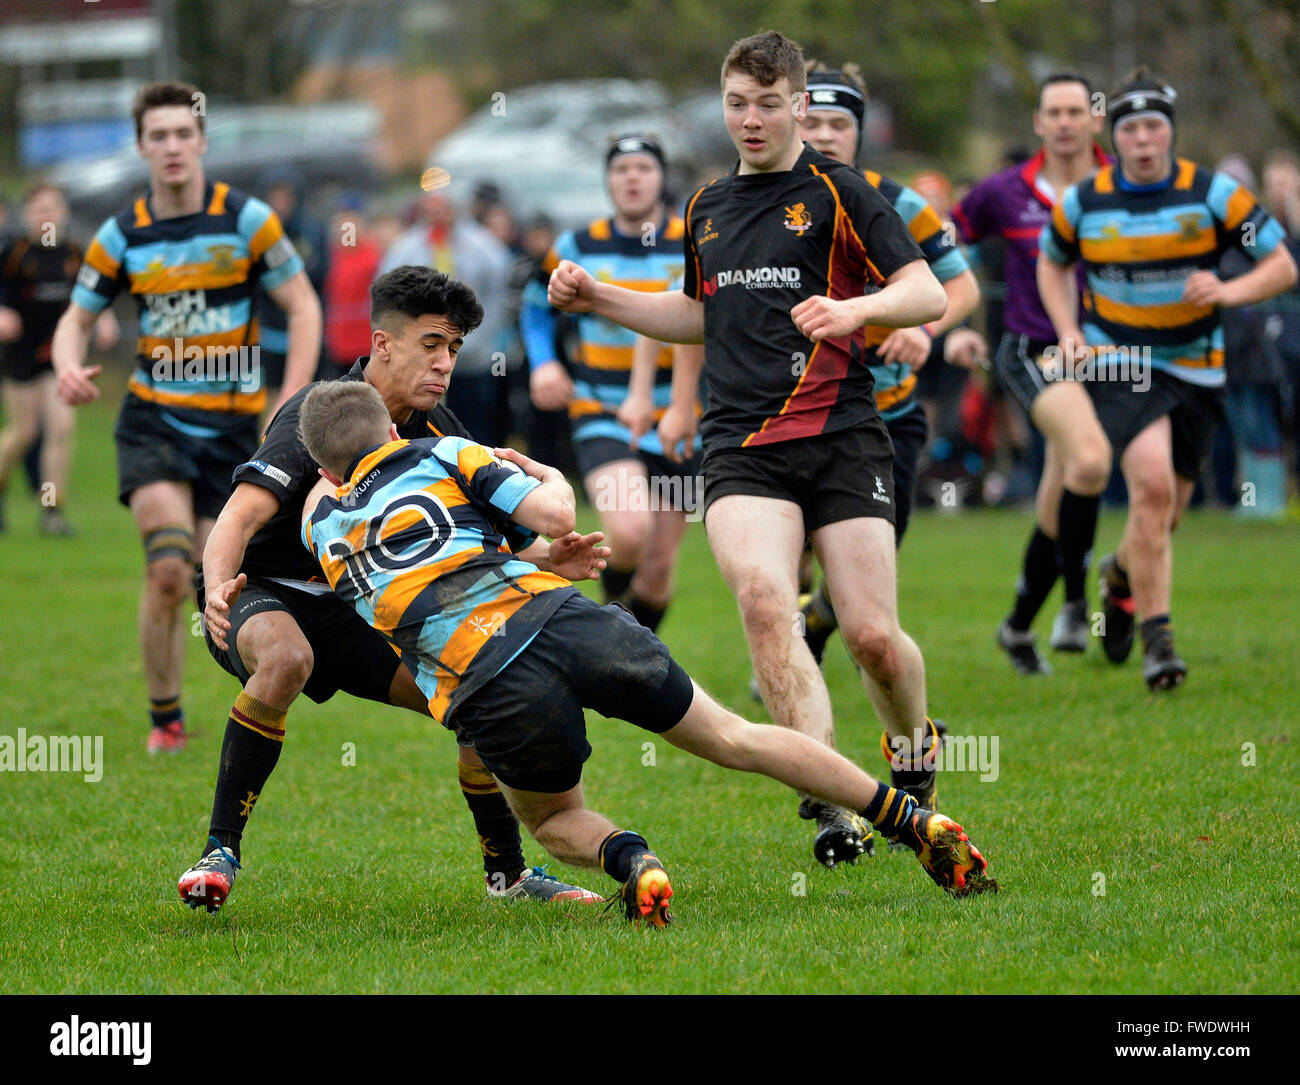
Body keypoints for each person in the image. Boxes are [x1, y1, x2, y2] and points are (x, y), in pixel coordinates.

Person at [296, 380, 995, 923]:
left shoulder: (322, 527)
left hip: (487, 685)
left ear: (326, 472)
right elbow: (556, 514)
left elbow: (413, 560)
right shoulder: (444, 450)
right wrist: (548, 475)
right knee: (736, 735)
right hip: (564, 620)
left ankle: (637, 863)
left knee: (550, 818)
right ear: (392, 428)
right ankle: (912, 817)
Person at [551, 31, 954, 869]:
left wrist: (855, 312)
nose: (752, 119)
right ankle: (837, 804)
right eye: (737, 103)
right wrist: (601, 299)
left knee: (873, 638)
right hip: (740, 445)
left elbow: (929, 290)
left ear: (800, 105)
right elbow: (699, 313)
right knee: (766, 602)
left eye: (769, 103)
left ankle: (914, 758)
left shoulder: (842, 192)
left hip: (843, 435)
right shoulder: (706, 207)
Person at [180, 266, 606, 912]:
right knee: (287, 657)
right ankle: (219, 853)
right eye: (431, 344)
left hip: (356, 605)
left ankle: (508, 878)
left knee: (474, 687)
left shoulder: (442, 434)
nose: (444, 363)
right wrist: (216, 589)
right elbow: (237, 516)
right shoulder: (321, 412)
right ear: (382, 344)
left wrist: (555, 558)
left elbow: (496, 543)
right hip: (261, 587)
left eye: (455, 349)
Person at [52, 81, 323, 753]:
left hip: (232, 431)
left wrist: (291, 400)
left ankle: (256, 696)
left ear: (201, 142)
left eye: (183, 134)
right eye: (158, 136)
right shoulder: (122, 234)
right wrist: (66, 363)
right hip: (153, 421)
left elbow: (304, 306)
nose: (172, 146)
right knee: (169, 569)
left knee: (218, 580)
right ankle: (166, 720)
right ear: (142, 146)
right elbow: (75, 318)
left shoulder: (247, 220)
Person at [1039, 69, 1297, 690]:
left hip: (1198, 370)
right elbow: (1052, 262)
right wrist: (1068, 329)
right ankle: (1161, 645)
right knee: (1151, 489)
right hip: (1120, 362)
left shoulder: (1214, 194)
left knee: (1169, 512)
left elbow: (1283, 264)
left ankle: (1119, 577)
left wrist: (1228, 289)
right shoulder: (1084, 201)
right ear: (1117, 136)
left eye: (1155, 127)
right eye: (1131, 129)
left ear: (1170, 134)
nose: (1144, 140)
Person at [786, 61, 983, 673]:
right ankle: (786, 648)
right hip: (789, 412)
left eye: (838, 123)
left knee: (864, 568)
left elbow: (963, 288)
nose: (823, 133)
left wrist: (923, 328)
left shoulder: (900, 203)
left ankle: (816, 624)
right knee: (793, 546)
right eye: (811, 120)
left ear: (859, 131)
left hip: (886, 415)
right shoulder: (764, 205)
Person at [952, 74, 1112, 676]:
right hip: (1032, 348)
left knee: (1062, 487)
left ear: (1095, 120)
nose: (1066, 121)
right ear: (1040, 123)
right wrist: (954, 320)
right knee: (1091, 461)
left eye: (1077, 110)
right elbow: (937, 237)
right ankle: (1076, 603)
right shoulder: (1002, 192)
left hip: (1112, 356)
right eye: (1054, 112)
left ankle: (1017, 627)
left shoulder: (1119, 188)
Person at [522, 135, 697, 633]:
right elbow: (535, 308)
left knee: (659, 570)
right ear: (608, 181)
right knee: (628, 527)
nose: (633, 178)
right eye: (621, 170)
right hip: (601, 409)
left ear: (662, 178)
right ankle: (610, 622)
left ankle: (633, 658)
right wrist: (543, 363)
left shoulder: (693, 238)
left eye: (643, 167)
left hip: (683, 415)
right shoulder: (578, 245)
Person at [0, 183, 119, 536]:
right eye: (39, 210)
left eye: (52, 209)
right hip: (20, 354)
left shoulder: (74, 253)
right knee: (25, 431)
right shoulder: (13, 253)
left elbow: (94, 295)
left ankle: (51, 511)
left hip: (59, 356)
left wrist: (106, 317)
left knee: (61, 429)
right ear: (26, 216)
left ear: (63, 213)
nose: (46, 217)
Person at [380, 188, 512, 447]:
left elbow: (500, 291)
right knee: (428, 417)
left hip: (474, 353)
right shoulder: (407, 246)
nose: (436, 214)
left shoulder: (482, 244)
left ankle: (484, 467)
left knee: (476, 416)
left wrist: (484, 337)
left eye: (441, 207)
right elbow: (389, 291)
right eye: (430, 207)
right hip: (422, 354)